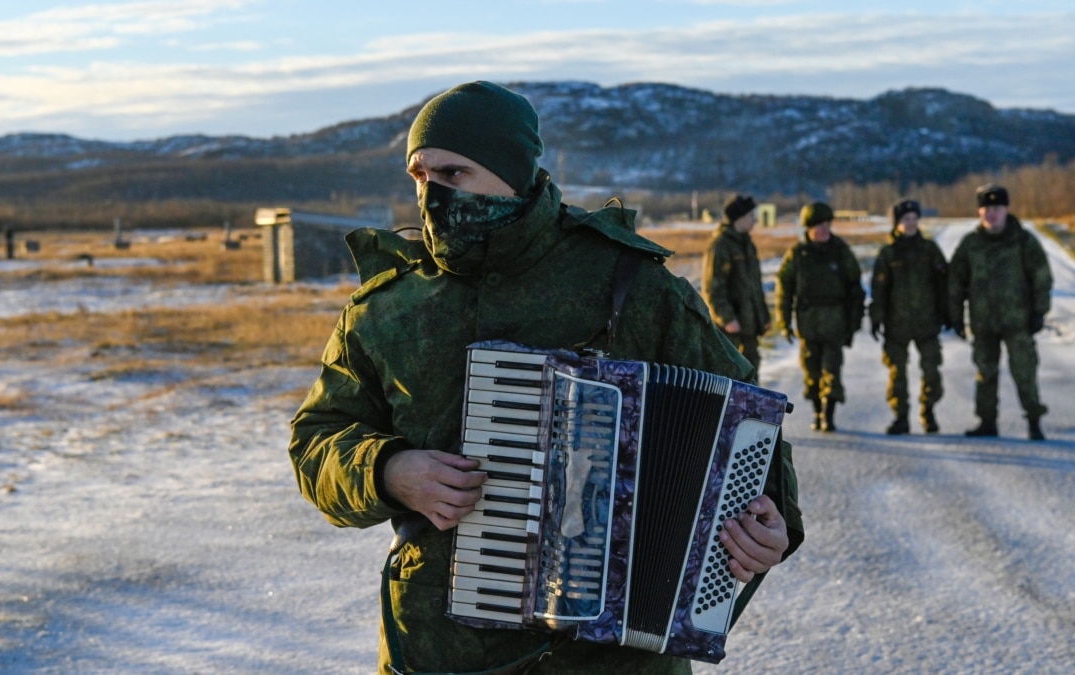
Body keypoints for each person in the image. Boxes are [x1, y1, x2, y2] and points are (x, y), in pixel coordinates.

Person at [288, 81, 804, 674]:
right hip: (440, 649)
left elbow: (748, 426)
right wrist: (387, 470)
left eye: (454, 174)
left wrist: (773, 524)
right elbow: (317, 442)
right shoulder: (386, 309)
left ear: (512, 172)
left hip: (614, 659)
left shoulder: (633, 285)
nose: (431, 196)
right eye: (419, 176)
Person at [948, 184, 1051, 440]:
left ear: (1006, 210)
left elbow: (1041, 278)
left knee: (1025, 372)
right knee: (985, 373)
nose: (991, 214)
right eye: (986, 209)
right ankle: (987, 421)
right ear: (979, 212)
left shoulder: (1023, 241)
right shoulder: (971, 245)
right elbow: (955, 283)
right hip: (983, 322)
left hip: (1018, 321)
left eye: (997, 208)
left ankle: (1034, 420)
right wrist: (956, 317)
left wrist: (1039, 312)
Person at [776, 202, 865, 432]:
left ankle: (828, 414)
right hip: (808, 323)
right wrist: (784, 322)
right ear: (808, 228)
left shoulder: (841, 251)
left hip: (835, 322)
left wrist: (854, 322)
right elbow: (784, 290)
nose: (823, 230)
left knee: (832, 371)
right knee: (811, 372)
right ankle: (816, 410)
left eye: (826, 225)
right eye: (818, 226)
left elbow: (855, 288)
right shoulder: (797, 254)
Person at [868, 199, 949, 435]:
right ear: (897, 223)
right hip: (897, 325)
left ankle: (929, 412)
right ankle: (900, 417)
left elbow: (944, 285)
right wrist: (876, 318)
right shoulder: (888, 253)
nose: (911, 223)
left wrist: (948, 314)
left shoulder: (930, 250)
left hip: (928, 323)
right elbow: (878, 290)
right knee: (897, 374)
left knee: (932, 371)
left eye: (914, 218)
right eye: (906, 219)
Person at [702, 194, 772, 374]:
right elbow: (712, 287)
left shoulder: (748, 245)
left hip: (749, 326)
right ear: (738, 219)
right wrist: (727, 318)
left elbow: (755, 286)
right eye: (750, 216)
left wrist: (763, 317)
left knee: (751, 377)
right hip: (731, 329)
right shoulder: (721, 246)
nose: (755, 220)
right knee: (732, 378)